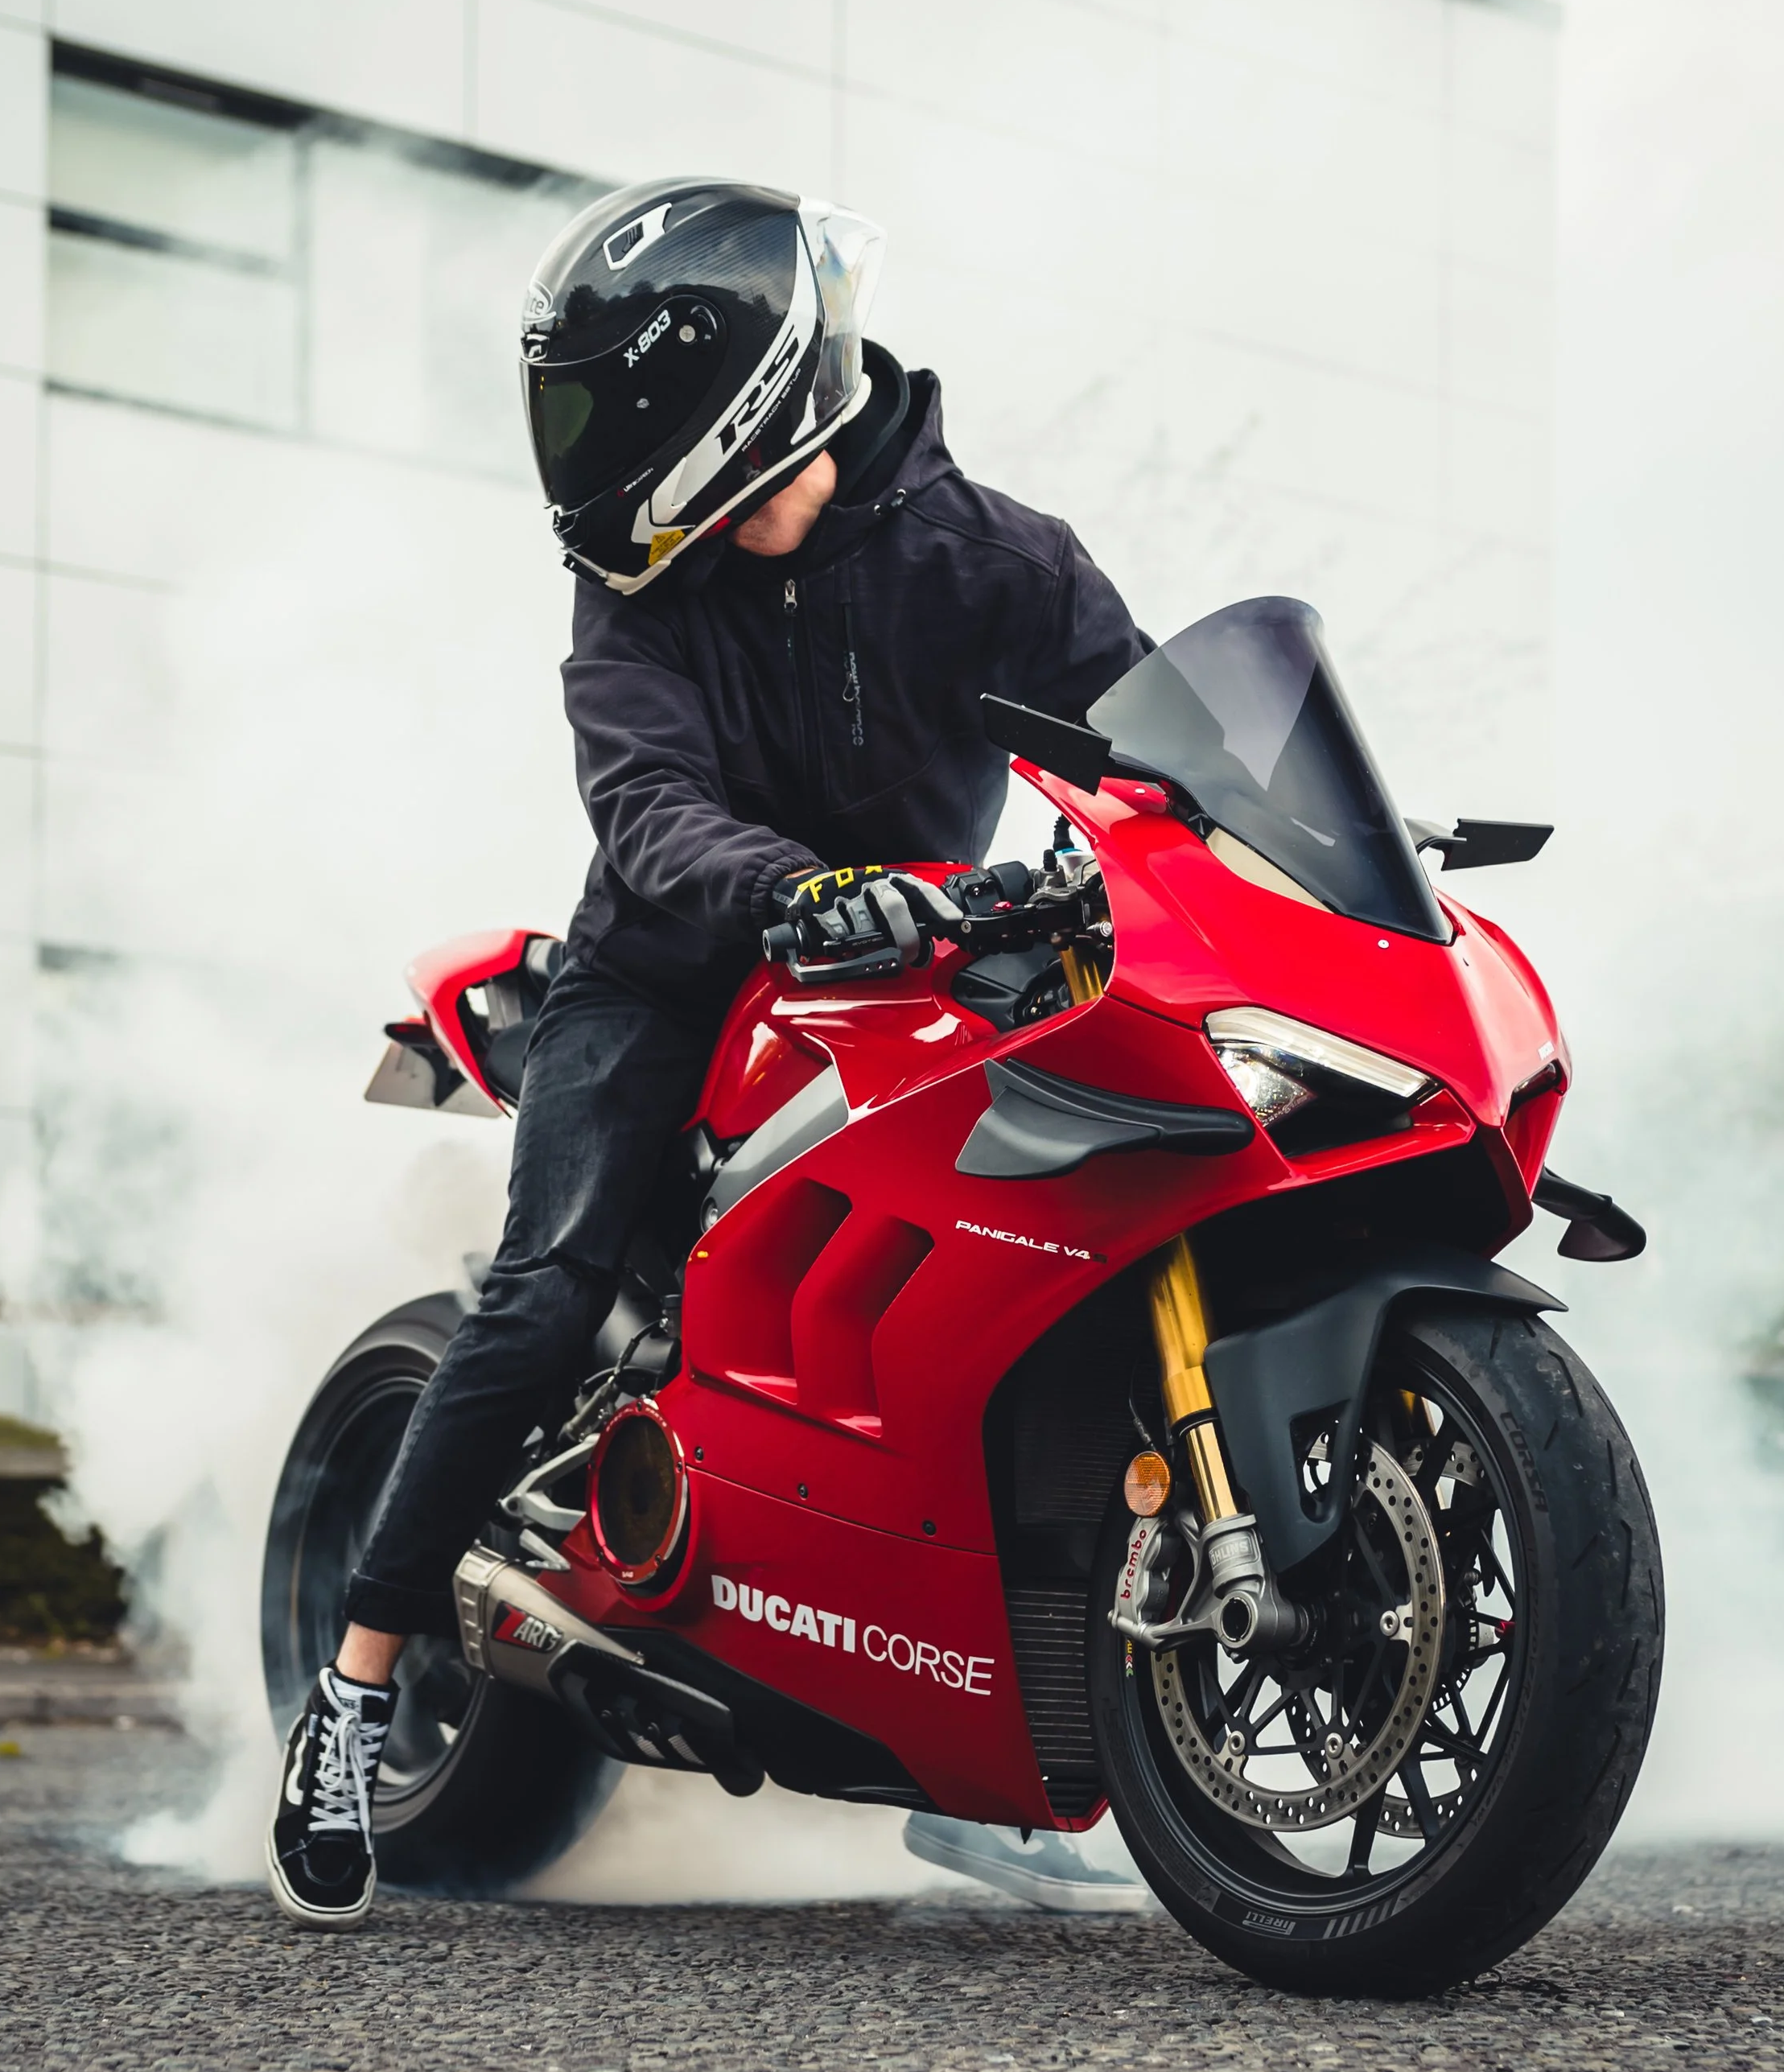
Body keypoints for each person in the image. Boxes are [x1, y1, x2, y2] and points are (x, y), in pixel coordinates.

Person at [268, 178, 1149, 1928]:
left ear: (737, 394)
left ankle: (1004, 1745)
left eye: (613, 407)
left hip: (924, 970)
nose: (591, 451)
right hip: (661, 977)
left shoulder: (1000, 564)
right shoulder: (639, 591)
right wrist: (802, 890)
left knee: (1062, 1255)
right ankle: (356, 1690)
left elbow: (1146, 761)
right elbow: (648, 806)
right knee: (541, 1291)